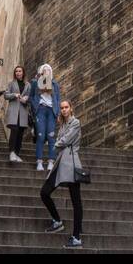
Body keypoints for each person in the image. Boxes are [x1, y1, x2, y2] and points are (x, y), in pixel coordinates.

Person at [40, 99, 84, 248]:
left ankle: (76, 237)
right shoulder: (63, 124)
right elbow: (61, 140)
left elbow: (63, 141)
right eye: (62, 108)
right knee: (44, 192)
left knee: (76, 201)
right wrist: (58, 142)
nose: (64, 110)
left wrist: (56, 142)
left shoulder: (75, 123)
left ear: (71, 109)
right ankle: (57, 221)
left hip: (71, 163)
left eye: (67, 107)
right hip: (61, 162)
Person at [33, 63, 62, 172]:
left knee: (51, 136)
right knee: (40, 136)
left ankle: (51, 160)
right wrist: (35, 106)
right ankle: (39, 161)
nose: (46, 71)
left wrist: (58, 113)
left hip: (51, 111)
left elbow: (58, 99)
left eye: (48, 70)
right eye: (44, 70)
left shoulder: (55, 84)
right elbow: (32, 96)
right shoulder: (36, 82)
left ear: (51, 72)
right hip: (40, 109)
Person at [2, 65, 32, 163]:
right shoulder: (11, 84)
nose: (18, 73)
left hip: (23, 112)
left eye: (20, 71)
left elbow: (30, 98)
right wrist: (14, 95)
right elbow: (6, 95)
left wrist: (26, 99)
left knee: (20, 133)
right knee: (14, 131)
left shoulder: (28, 85)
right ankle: (11, 152)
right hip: (14, 111)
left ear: (23, 73)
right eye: (16, 71)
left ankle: (17, 154)